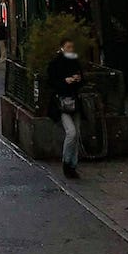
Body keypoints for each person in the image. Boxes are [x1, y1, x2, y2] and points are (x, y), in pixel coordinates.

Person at [47, 38, 84, 179]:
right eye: (68, 47)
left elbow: (82, 79)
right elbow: (50, 81)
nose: (70, 50)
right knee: (71, 132)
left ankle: (73, 165)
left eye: (71, 47)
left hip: (75, 101)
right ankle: (66, 162)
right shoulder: (55, 63)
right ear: (62, 48)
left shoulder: (75, 61)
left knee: (76, 134)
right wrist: (64, 81)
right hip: (62, 102)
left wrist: (78, 79)